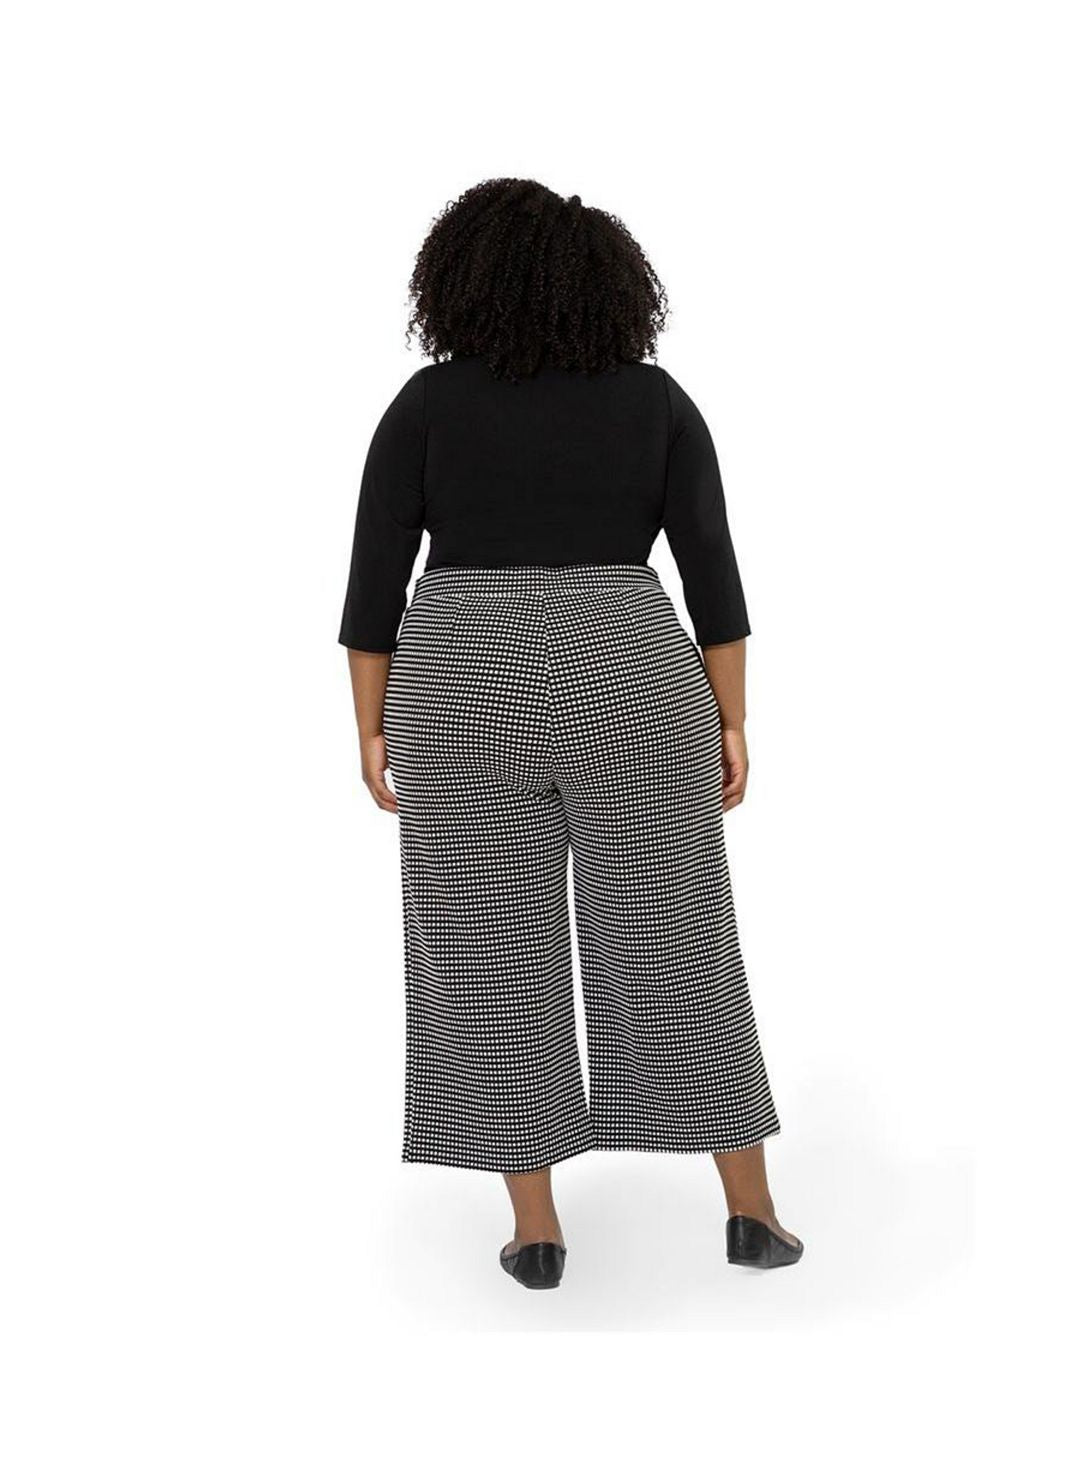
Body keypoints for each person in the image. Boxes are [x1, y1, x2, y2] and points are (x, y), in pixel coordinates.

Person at [340, 178, 801, 1289]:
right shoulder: (655, 402)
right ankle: (752, 1214)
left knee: (486, 952)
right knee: (678, 932)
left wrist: (371, 730)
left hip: (459, 677)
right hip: (631, 671)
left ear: (459, 281)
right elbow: (713, 574)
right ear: (610, 287)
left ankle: (538, 1231)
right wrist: (732, 717)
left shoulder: (425, 406)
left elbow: (372, 587)